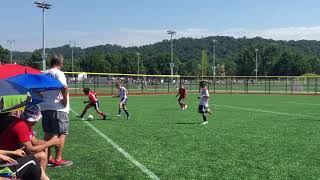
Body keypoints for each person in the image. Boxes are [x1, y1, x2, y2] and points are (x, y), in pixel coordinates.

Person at [0, 104, 59, 179]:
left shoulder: (25, 123)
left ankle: (39, 176)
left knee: (44, 149)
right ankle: (40, 177)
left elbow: (35, 141)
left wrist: (52, 142)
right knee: (42, 156)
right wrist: (50, 143)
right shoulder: (21, 126)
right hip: (7, 159)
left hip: (12, 155)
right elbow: (30, 149)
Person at [40, 54, 72, 167]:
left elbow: (37, 90)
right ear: (60, 63)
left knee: (48, 133)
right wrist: (64, 101)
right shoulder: (59, 73)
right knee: (62, 133)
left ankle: (48, 158)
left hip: (45, 107)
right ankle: (58, 159)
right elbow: (64, 87)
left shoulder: (43, 73)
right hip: (58, 108)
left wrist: (43, 99)